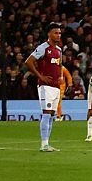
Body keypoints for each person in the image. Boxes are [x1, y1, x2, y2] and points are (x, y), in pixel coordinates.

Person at [23, 24, 66, 153]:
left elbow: (60, 65)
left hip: (56, 86)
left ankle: (47, 143)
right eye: (55, 33)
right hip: (45, 86)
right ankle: (43, 144)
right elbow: (28, 61)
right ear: (49, 34)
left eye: (59, 33)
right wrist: (40, 75)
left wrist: (61, 76)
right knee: (46, 113)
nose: (58, 35)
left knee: (52, 115)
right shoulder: (43, 48)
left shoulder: (58, 49)